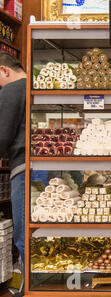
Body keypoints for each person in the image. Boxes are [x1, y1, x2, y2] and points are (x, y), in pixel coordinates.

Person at [0, 53, 27, 265]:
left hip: (24, 169)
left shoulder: (11, 90)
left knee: (24, 235)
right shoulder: (38, 87)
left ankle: (31, 292)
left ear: (4, 70)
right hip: (49, 168)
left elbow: (3, 134)